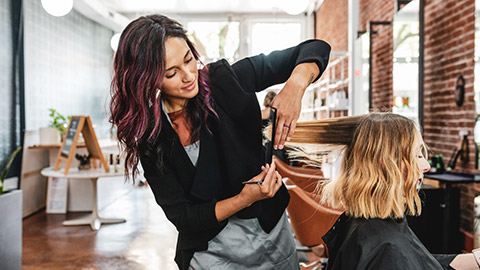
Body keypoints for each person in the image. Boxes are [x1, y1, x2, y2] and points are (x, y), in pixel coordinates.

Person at [109, 14, 331, 270]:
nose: (188, 75)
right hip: (210, 255)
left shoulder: (226, 81)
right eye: (171, 73)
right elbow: (184, 218)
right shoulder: (152, 137)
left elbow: (315, 48)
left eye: (188, 59)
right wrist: (244, 198)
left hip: (271, 238)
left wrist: (295, 86)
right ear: (147, 80)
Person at [285, 112, 480, 270]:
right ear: (386, 164)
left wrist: (473, 260)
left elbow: (415, 259)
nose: (425, 165)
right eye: (417, 155)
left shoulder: (364, 224)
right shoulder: (388, 248)